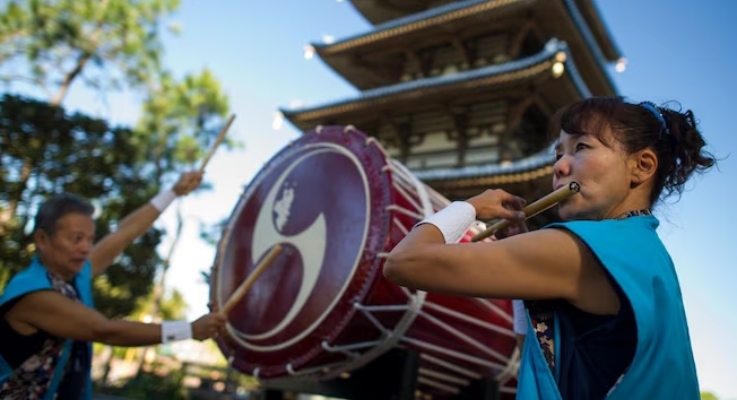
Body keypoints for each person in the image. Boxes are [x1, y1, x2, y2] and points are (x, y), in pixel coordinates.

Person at [384, 96, 715, 400]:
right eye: (559, 154)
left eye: (581, 147)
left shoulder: (586, 247)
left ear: (641, 166)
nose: (559, 167)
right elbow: (542, 361)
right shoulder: (643, 253)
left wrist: (468, 207)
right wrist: (522, 262)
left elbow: (403, 261)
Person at [0, 171, 227, 400]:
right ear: (41, 240)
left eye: (90, 239)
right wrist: (188, 329)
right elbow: (104, 330)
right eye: (76, 239)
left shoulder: (73, 277)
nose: (86, 248)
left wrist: (174, 192)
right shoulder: (33, 293)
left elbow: (125, 233)